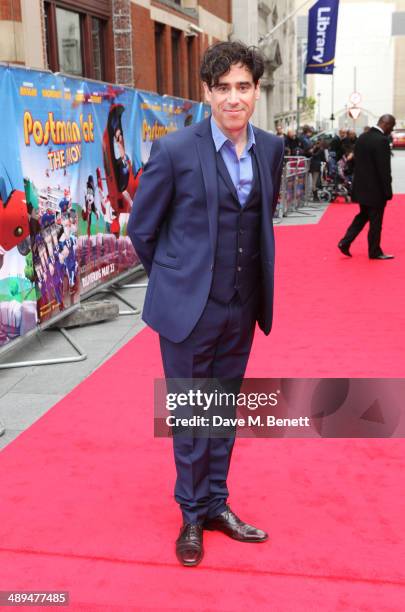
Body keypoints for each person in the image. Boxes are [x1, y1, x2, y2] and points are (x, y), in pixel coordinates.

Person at [127, 41, 284, 567]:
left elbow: (260, 221)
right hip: (187, 311)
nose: (233, 98)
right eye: (223, 88)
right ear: (207, 93)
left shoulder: (271, 148)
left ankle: (217, 502)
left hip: (242, 305)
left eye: (244, 87)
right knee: (192, 413)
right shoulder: (174, 150)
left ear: (256, 92)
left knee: (222, 411)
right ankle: (191, 512)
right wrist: (177, 282)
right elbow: (143, 229)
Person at [338, 114, 396, 259]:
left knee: (362, 216)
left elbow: (355, 161)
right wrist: (388, 191)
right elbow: (384, 169)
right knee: (376, 222)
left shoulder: (363, 137)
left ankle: (345, 242)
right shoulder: (382, 140)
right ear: (386, 124)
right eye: (392, 126)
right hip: (375, 190)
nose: (392, 129)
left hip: (361, 187)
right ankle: (374, 251)